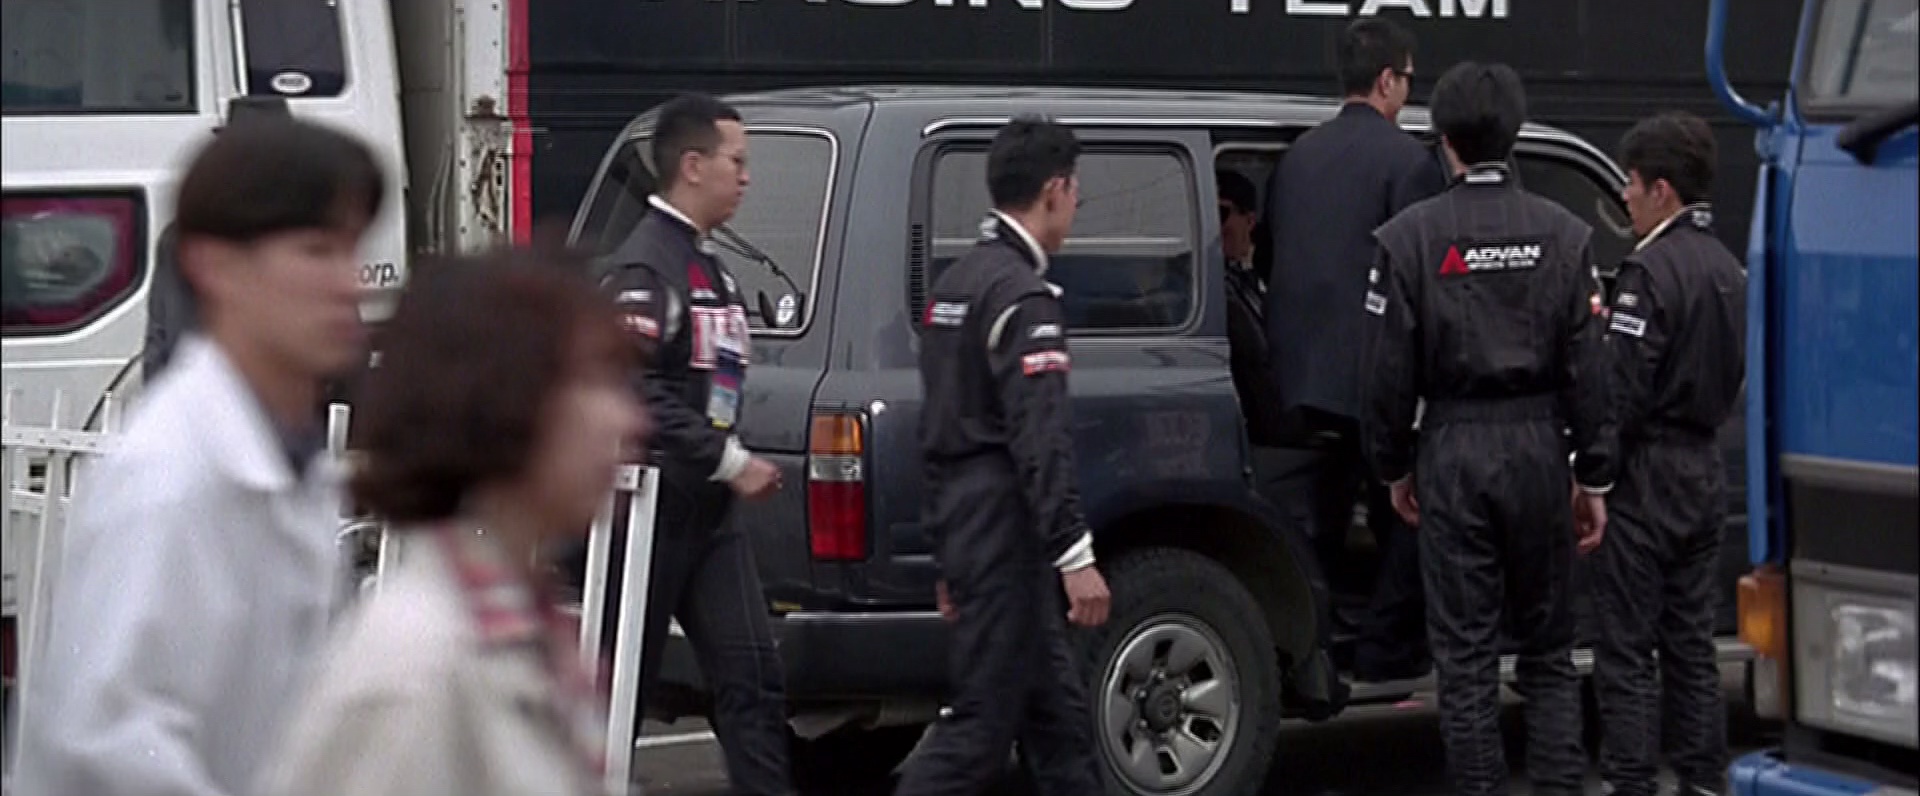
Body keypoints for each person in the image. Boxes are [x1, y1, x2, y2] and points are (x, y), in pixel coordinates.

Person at [12, 118, 384, 796]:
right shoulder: (171, 477)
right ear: (215, 267)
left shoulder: (288, 463)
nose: (349, 283)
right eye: (316, 251)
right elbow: (107, 743)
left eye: (352, 250)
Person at [255, 247, 649, 796]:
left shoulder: (515, 629)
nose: (631, 418)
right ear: (499, 398)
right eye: (593, 381)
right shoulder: (418, 672)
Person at [1360, 62, 1614, 796]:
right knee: (1549, 653)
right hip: (1540, 452)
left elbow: (1384, 377)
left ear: (1444, 141)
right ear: (1515, 132)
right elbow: (1591, 371)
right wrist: (1593, 476)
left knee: (1466, 660)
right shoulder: (1565, 235)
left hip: (1453, 452)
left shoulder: (1408, 239)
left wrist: (1394, 467)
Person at [895, 116, 1111, 796]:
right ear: (1054, 190)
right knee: (979, 732)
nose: (1077, 204)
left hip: (973, 532)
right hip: (1004, 533)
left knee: (1061, 726)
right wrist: (1076, 557)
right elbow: (1040, 438)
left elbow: (935, 429)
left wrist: (948, 556)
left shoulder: (955, 286)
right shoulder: (1023, 298)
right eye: (1075, 190)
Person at [598, 92, 794, 796]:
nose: (746, 177)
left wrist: (726, 459)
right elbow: (629, 390)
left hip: (710, 518)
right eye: (735, 162)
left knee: (755, 680)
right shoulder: (646, 268)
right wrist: (728, 460)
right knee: (615, 694)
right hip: (648, 512)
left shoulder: (713, 267)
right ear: (691, 165)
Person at [1263, 15, 1446, 691]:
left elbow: (1271, 258)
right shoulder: (1410, 163)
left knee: (1316, 532)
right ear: (1387, 80)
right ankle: (1384, 651)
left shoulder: (1297, 158)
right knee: (1411, 519)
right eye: (1409, 79)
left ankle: (1313, 647)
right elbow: (1418, 280)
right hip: (1377, 385)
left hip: (1297, 383)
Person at [1591, 111, 1746, 796]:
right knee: (1692, 643)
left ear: (1661, 190)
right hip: (1705, 470)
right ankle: (1704, 779)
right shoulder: (1728, 268)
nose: (1623, 196)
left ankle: (1631, 781)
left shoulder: (1648, 272)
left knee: (1626, 649)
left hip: (1646, 475)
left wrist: (1592, 474)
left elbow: (1621, 390)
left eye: (1630, 182)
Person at [1216, 169, 1288, 446]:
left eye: (1221, 214)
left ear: (1249, 220)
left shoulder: (1267, 277)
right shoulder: (1207, 284)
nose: (1215, 227)